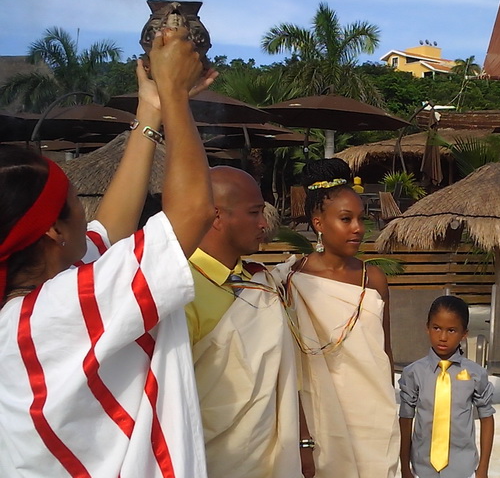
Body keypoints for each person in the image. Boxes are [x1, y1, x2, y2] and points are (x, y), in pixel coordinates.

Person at [0, 28, 217, 476]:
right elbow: (195, 213)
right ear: (54, 232)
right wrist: (176, 94)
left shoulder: (44, 301)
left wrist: (151, 113)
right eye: (77, 202)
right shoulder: (66, 307)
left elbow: (111, 228)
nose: (88, 213)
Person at [272, 158, 400, 478]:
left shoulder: (374, 279)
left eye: (360, 219)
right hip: (319, 423)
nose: (357, 228)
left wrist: (389, 413)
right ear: (318, 222)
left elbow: (385, 354)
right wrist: (303, 439)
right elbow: (288, 367)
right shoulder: (292, 279)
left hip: (373, 420)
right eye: (346, 218)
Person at [184, 166, 312, 478]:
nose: (263, 223)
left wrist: (304, 442)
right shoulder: (180, 290)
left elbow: (287, 374)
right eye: (255, 212)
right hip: (208, 458)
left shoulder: (261, 281)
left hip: (272, 458)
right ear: (216, 216)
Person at [398, 295, 495, 478]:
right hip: (422, 467)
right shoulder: (414, 373)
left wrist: (483, 469)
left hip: (462, 467)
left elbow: (487, 417)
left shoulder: (476, 374)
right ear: (427, 328)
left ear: (464, 333)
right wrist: (404, 467)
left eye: (451, 330)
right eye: (436, 328)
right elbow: (405, 419)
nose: (442, 337)